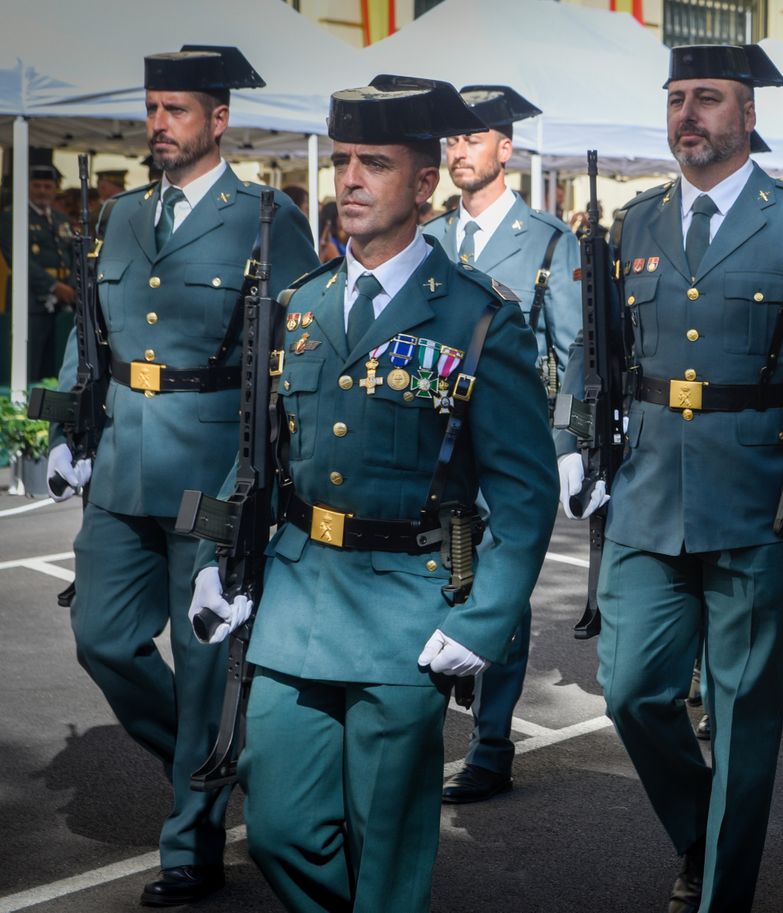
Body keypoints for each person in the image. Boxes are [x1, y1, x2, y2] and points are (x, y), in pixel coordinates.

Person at [186, 75, 558, 913]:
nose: (349, 179)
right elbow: (254, 451)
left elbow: (526, 494)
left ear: (424, 184)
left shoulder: (476, 318)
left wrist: (484, 618)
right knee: (278, 825)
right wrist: (214, 554)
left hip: (409, 611)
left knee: (386, 847)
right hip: (298, 600)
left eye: (374, 164)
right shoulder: (299, 305)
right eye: (343, 160)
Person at [555, 43, 783, 912]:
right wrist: (573, 440)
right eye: (677, 100)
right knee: (632, 692)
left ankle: (720, 891)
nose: (687, 115)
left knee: (741, 711)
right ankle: (705, 830)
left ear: (748, 115)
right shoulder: (634, 221)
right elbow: (597, 347)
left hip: (759, 493)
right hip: (649, 489)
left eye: (708, 99)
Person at [44, 45, 318, 907]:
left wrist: (261, 480)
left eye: (176, 110)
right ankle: (210, 761)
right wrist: (67, 425)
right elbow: (90, 327)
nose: (157, 124)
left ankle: (190, 838)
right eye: (152, 108)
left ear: (219, 119)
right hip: (124, 458)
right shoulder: (120, 214)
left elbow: (289, 361)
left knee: (205, 664)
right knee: (101, 635)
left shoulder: (268, 218)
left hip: (213, 468)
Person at [422, 83, 580, 804]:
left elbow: (575, 350)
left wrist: (570, 438)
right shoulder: (427, 239)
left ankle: (492, 741)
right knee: (432, 575)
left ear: (505, 149)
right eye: (450, 139)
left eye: (473, 138)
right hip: (434, 442)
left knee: (503, 591)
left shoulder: (548, 241)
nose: (458, 150)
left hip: (513, 444)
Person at [0, 154, 75, 382]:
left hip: (63, 304)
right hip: (30, 302)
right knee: (28, 366)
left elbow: (72, 256)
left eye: (48, 186)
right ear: (27, 187)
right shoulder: (12, 217)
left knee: (55, 367)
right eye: (37, 186)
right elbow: (18, 259)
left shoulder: (61, 219)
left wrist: (71, 287)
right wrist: (54, 287)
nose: (43, 191)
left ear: (55, 189)